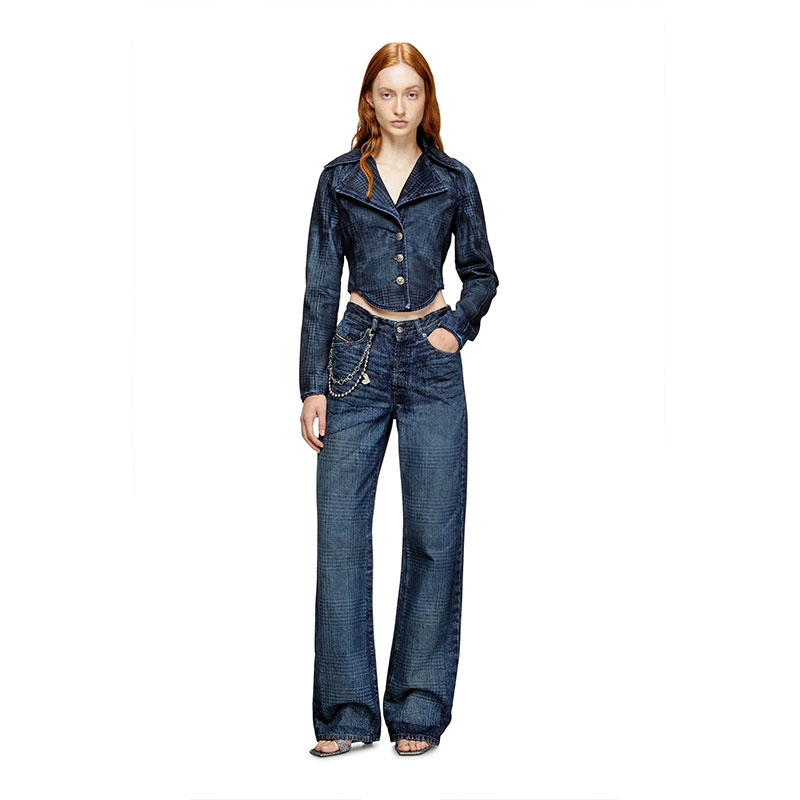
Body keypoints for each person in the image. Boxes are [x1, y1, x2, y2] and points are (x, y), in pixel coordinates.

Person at [299, 43, 499, 757]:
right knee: (341, 536)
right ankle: (345, 714)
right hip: (356, 357)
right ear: (369, 100)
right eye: (387, 93)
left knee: (433, 535)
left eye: (412, 93)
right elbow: (320, 284)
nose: (399, 106)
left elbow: (482, 273)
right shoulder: (338, 181)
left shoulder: (453, 180)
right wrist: (312, 385)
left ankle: (417, 708)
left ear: (426, 99)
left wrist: (456, 328)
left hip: (431, 363)